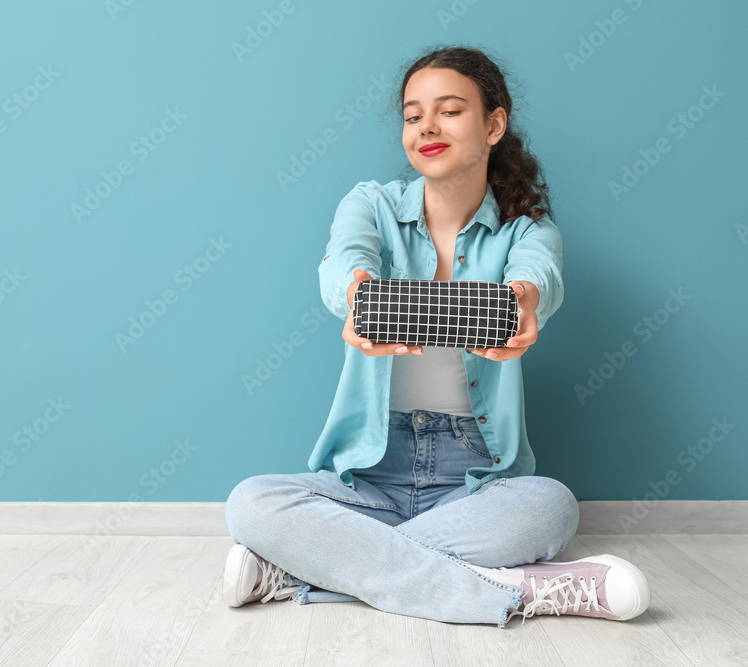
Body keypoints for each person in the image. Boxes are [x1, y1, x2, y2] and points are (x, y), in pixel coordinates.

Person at [224, 45, 651, 629]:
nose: (426, 126)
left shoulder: (527, 228)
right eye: (412, 114)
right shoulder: (370, 203)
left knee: (551, 506)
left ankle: (306, 573)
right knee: (252, 501)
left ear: (494, 124)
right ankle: (515, 591)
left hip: (474, 476)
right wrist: (356, 296)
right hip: (370, 474)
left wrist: (523, 301)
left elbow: (538, 276)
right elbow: (343, 260)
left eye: (449, 110)